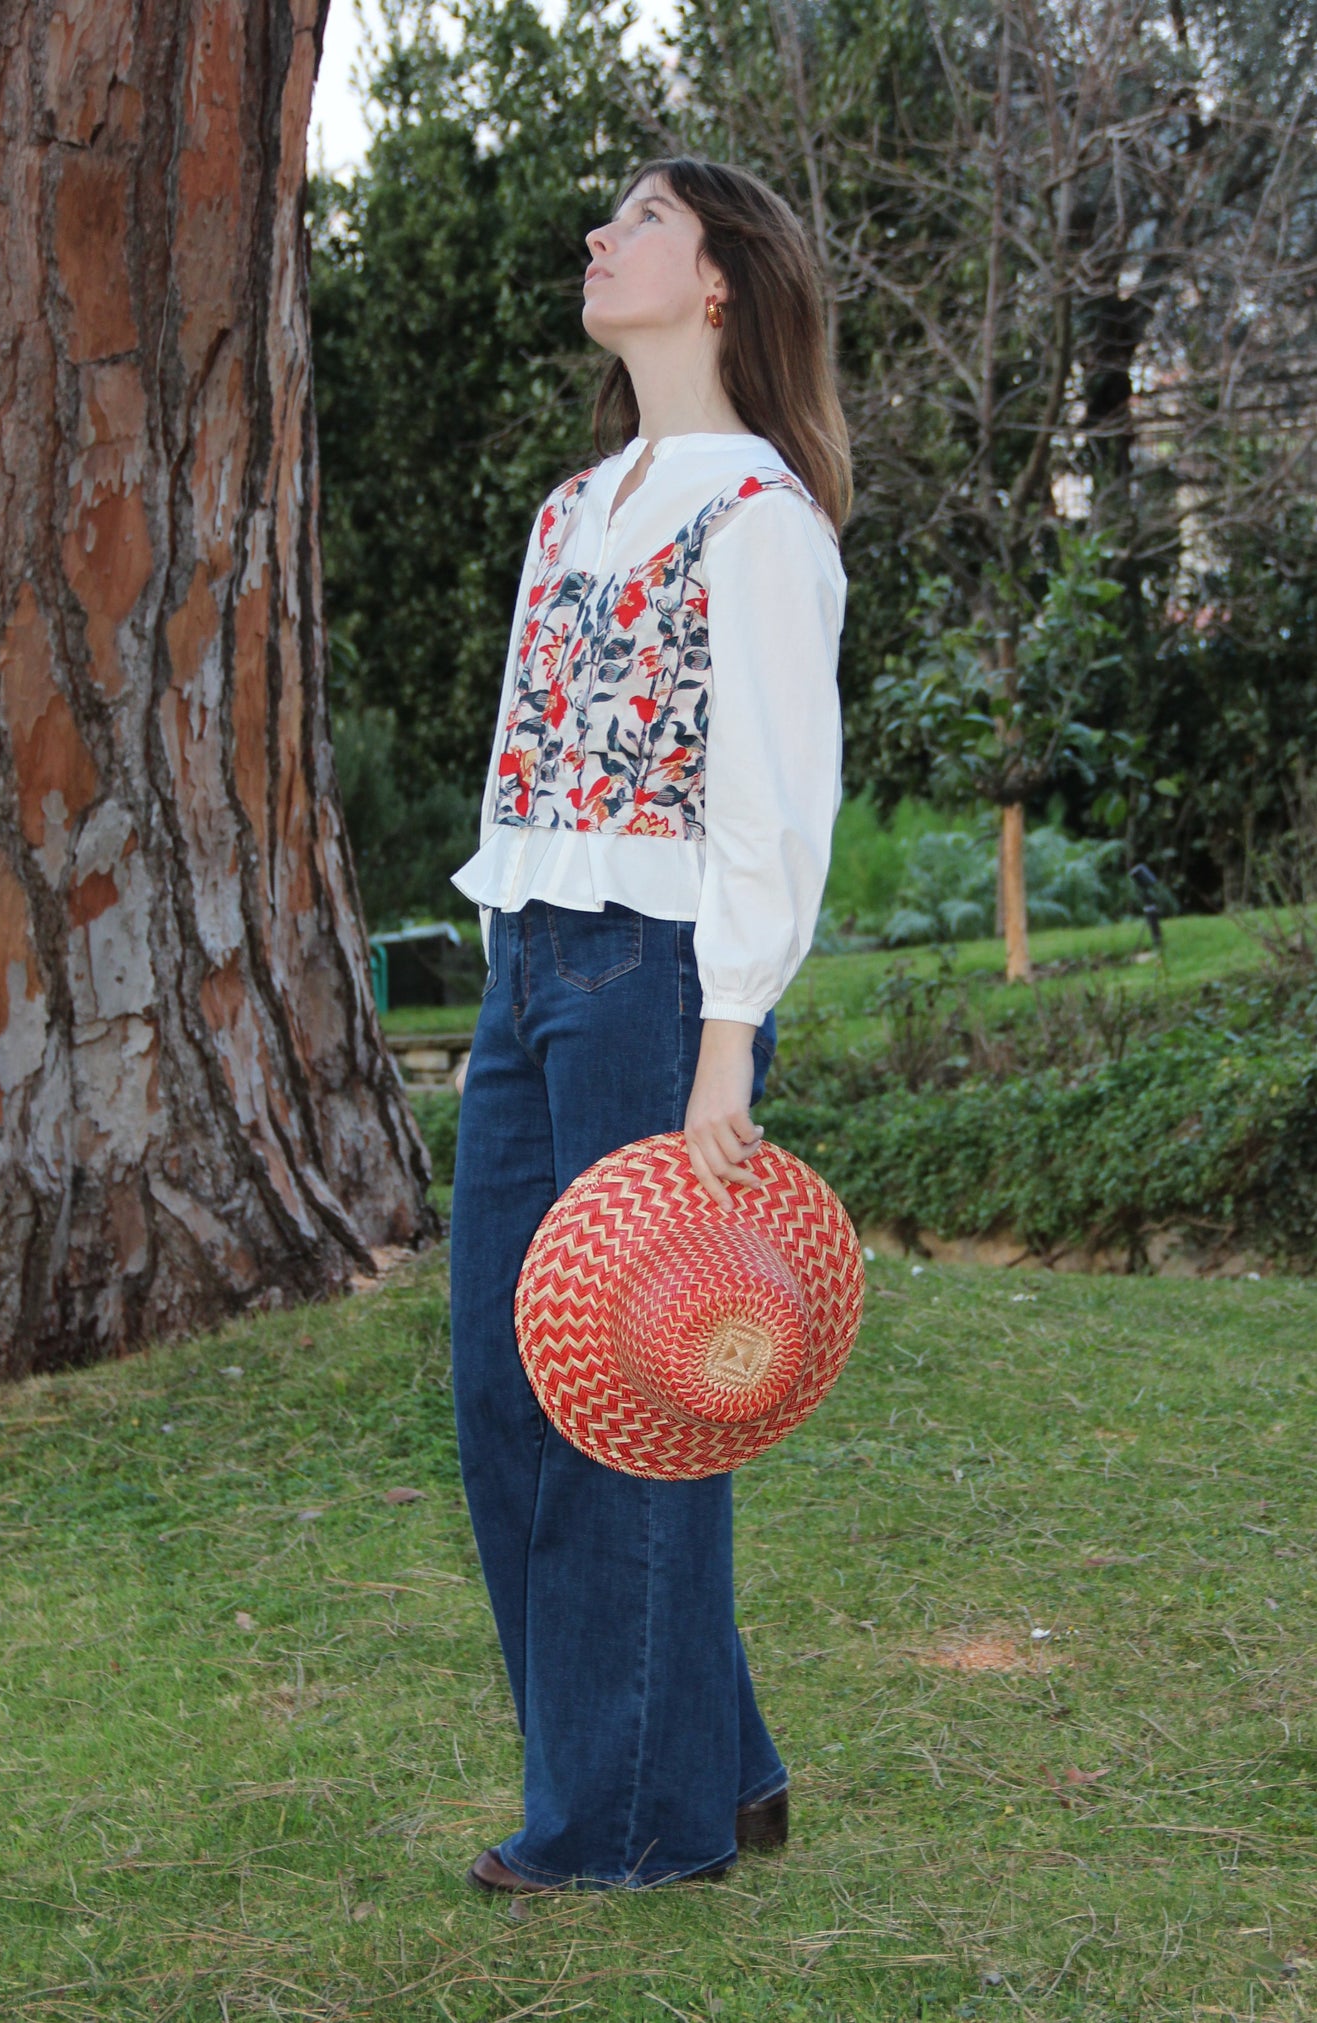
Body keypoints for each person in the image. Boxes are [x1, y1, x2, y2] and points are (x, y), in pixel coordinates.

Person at [446, 154, 852, 1893]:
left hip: (656, 983)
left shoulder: (758, 519)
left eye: (640, 221)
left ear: (717, 288)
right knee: (501, 1385)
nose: (596, 235)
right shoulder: (569, 508)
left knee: (627, 1396)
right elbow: (529, 760)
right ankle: (720, 1762)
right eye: (600, 213)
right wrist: (503, 960)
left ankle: (627, 1825)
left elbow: (775, 800)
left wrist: (723, 1042)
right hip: (531, 966)